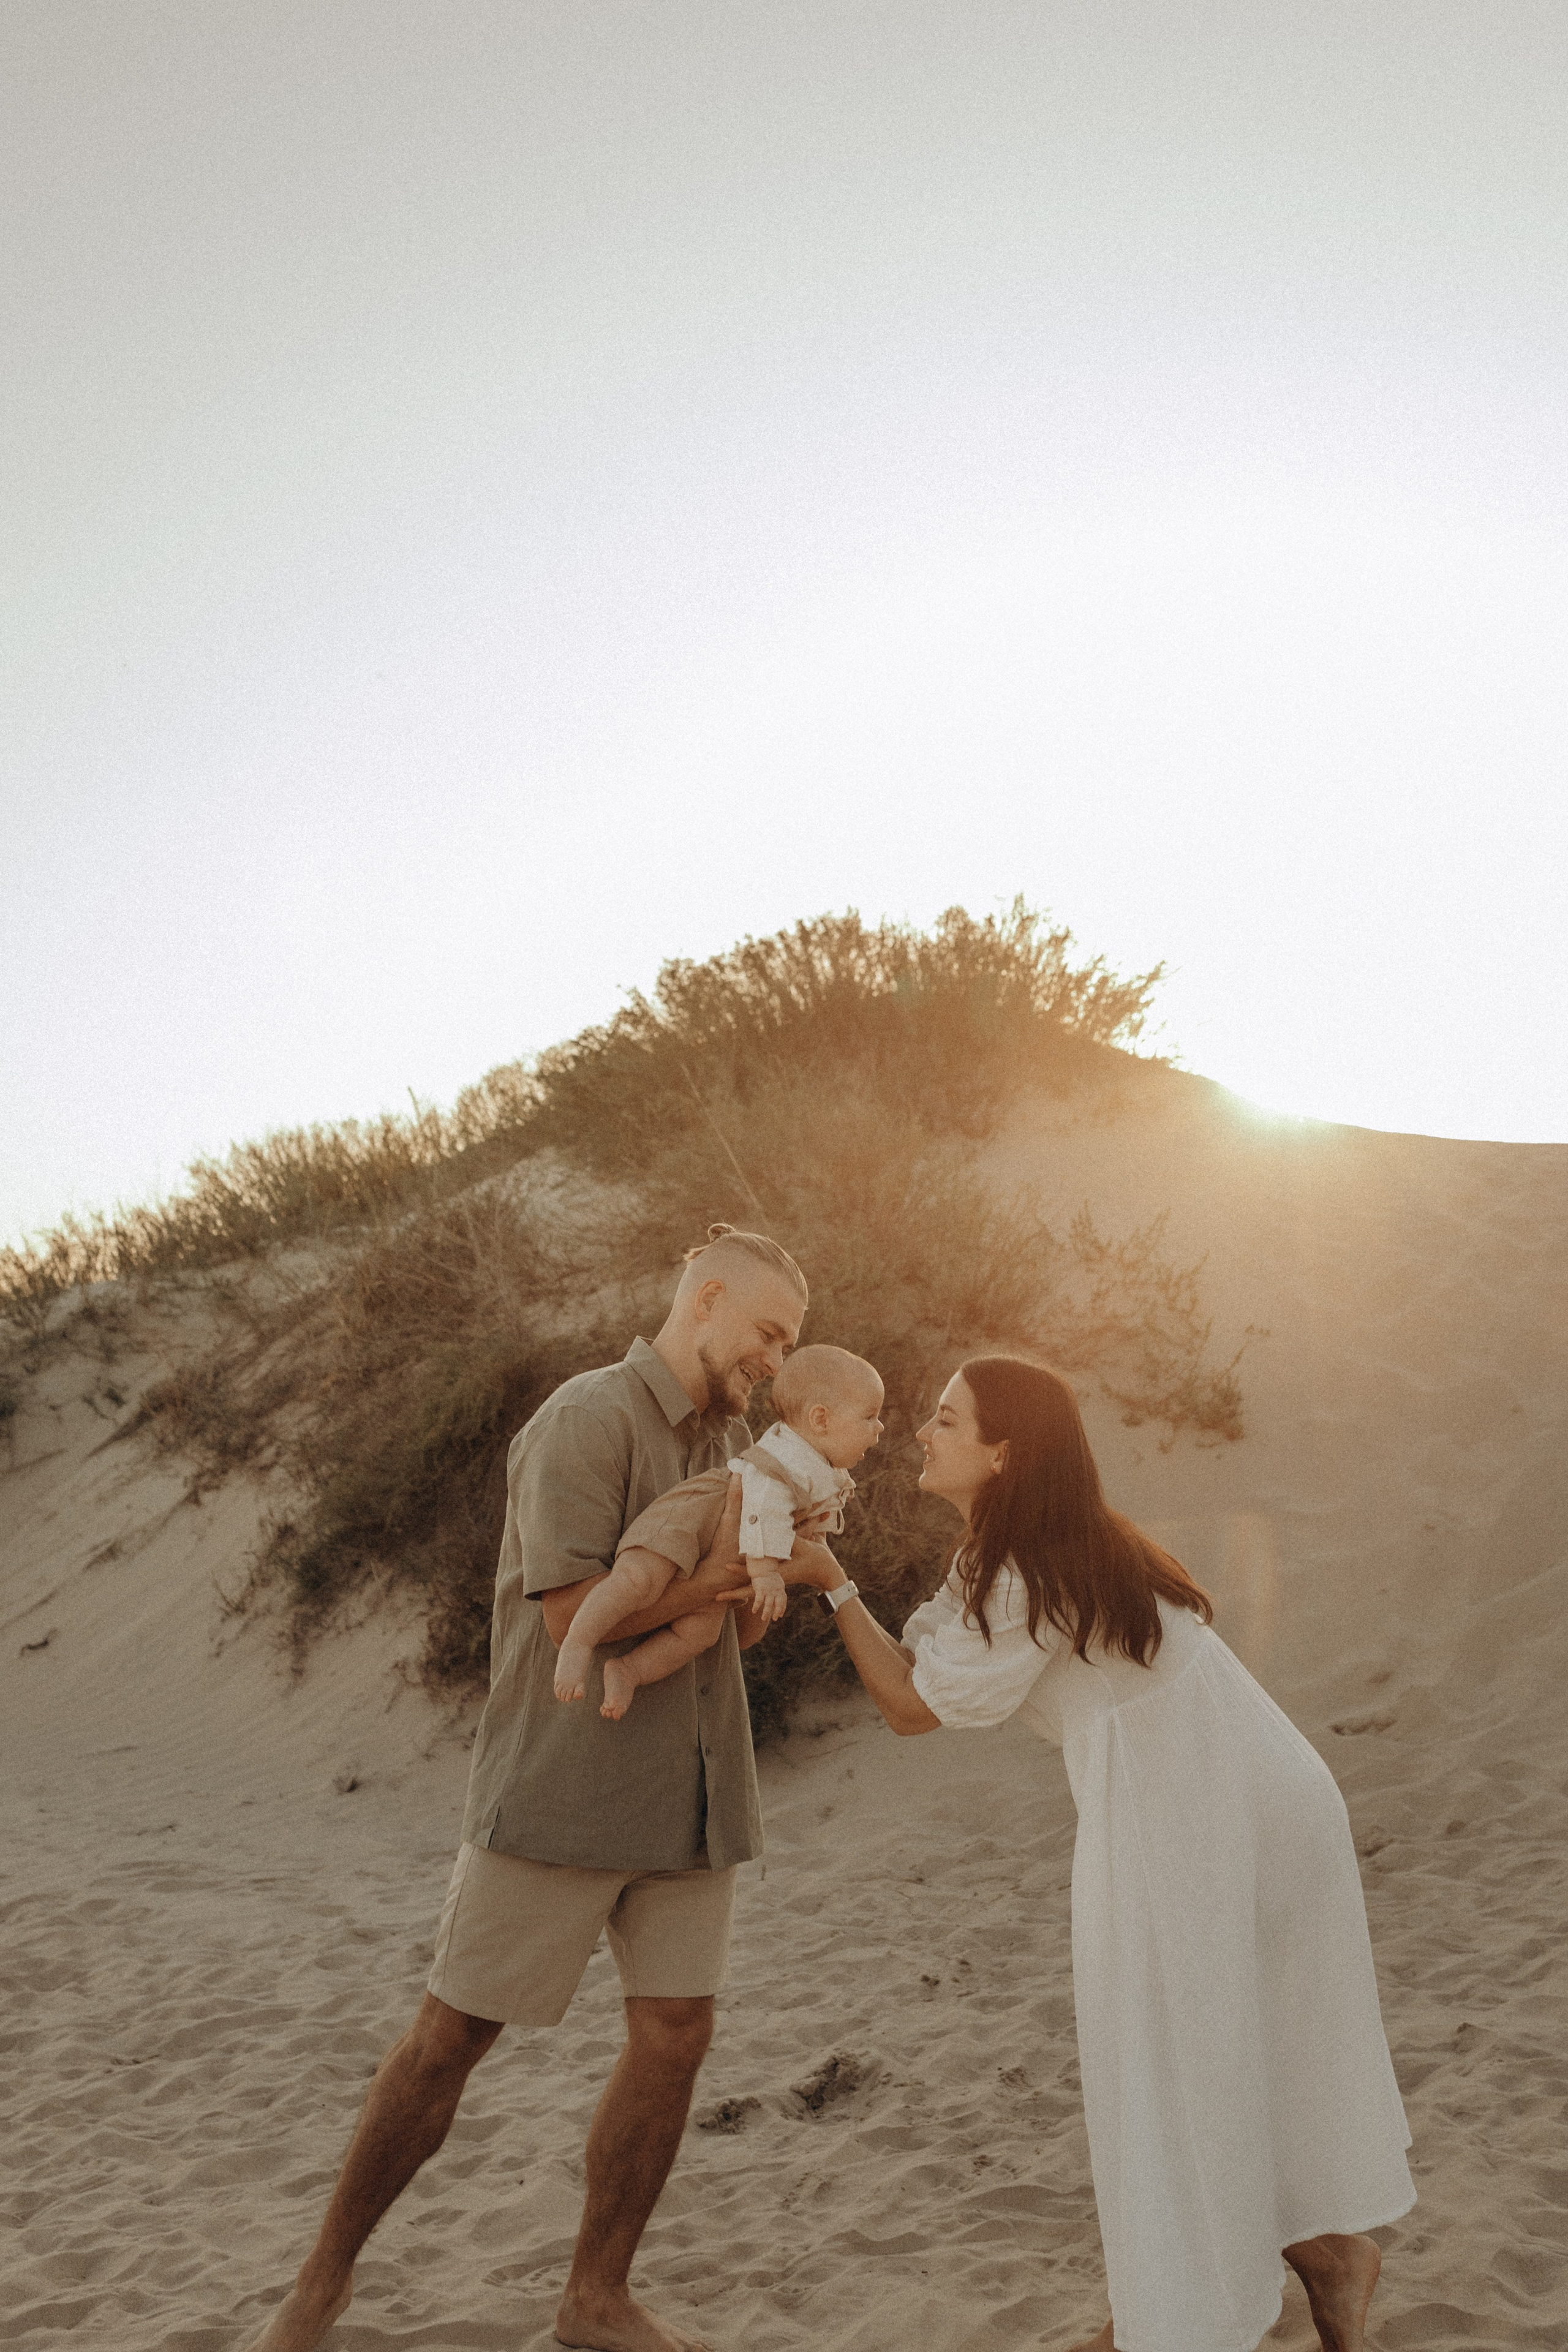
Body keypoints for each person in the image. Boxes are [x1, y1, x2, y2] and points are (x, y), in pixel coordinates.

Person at [240, 1223, 823, 2352]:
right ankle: (322, 2283)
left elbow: (720, 1623)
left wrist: (757, 1597)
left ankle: (594, 2299)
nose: (773, 1357)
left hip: (699, 1790)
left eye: (788, 1341)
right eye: (766, 1332)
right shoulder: (586, 1418)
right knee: (450, 2037)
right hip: (564, 1785)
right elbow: (572, 1618)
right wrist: (714, 1581)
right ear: (704, 1300)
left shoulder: (744, 1444)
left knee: (677, 2032)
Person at [795, 1355, 1415, 2352]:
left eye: (946, 1421)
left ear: (1004, 1453)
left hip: (1206, 1815)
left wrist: (830, 1586)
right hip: (1235, 1799)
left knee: (1173, 2057)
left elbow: (911, 1708)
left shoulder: (1030, 1568)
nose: (923, 1433)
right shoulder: (1016, 1554)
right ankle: (1319, 2267)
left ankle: (1174, 2320)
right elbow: (931, 1666)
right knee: (1212, 2051)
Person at [555, 1343, 883, 1718]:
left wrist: (808, 1550)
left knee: (701, 1634)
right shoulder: (787, 1457)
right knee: (638, 1579)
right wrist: (766, 1574)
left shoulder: (824, 1468)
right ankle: (579, 1642)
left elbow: (809, 1533)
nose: (880, 1428)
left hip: (724, 1546)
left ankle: (629, 1670)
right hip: (697, 1514)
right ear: (821, 1420)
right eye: (870, 1417)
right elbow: (764, 1507)